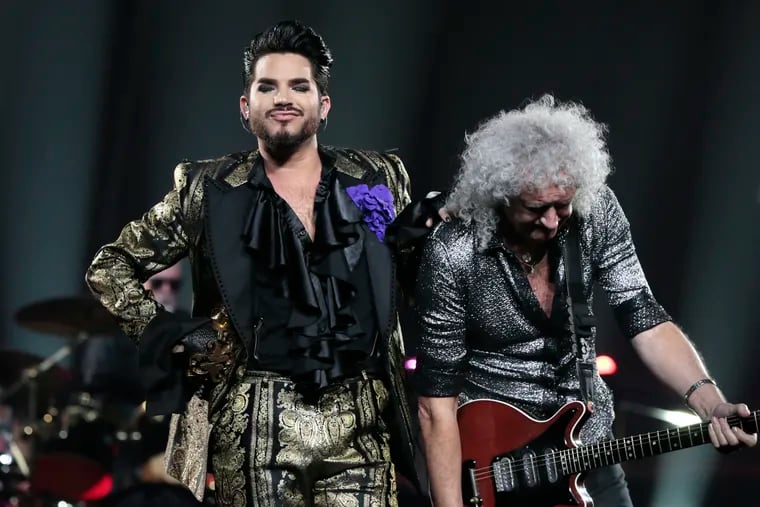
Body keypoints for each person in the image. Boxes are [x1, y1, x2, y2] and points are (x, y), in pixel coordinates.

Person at [86, 20, 437, 507]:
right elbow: (110, 267)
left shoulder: (375, 178)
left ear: (324, 104)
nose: (283, 98)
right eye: (267, 86)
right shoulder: (207, 188)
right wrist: (175, 335)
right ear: (247, 106)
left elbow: (412, 277)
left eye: (299, 85)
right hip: (252, 418)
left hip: (362, 417)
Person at [413, 95, 757, 507]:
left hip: (586, 448)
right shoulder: (453, 251)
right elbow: (436, 401)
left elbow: (643, 314)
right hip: (488, 463)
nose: (553, 221)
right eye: (536, 208)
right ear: (499, 194)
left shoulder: (595, 214)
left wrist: (711, 403)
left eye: (563, 205)